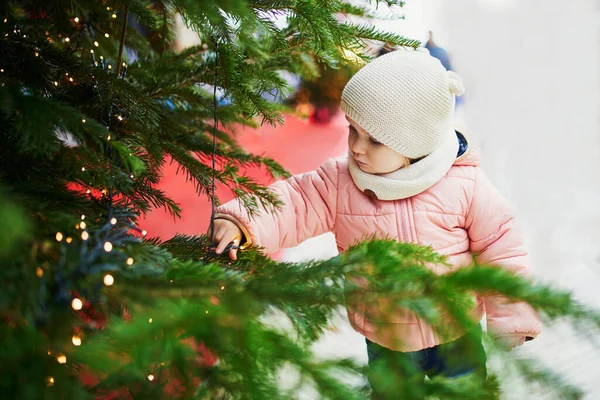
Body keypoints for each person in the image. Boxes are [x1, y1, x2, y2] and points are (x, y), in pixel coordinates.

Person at [209, 48, 541, 398]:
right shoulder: (340, 183)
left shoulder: (464, 183)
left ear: (414, 144)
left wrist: (512, 315)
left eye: (375, 140)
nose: (356, 147)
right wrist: (241, 220)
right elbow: (295, 202)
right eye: (353, 130)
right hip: (387, 335)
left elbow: (502, 247)